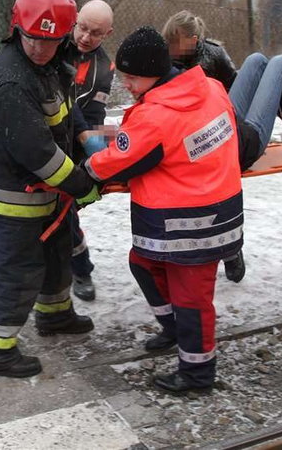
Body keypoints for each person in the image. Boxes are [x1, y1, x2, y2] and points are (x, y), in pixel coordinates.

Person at [85, 26, 243, 394]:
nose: (126, 83)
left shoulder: (156, 116)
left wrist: (83, 174)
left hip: (185, 222)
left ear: (154, 72)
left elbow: (119, 160)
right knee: (143, 263)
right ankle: (175, 331)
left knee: (192, 301)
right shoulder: (211, 89)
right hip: (214, 211)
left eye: (131, 77)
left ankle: (197, 374)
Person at [0, 0, 100, 378]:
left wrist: (88, 140)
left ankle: (55, 315)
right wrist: (84, 184)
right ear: (17, 28)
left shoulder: (53, 62)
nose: (40, 48)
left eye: (51, 40)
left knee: (57, 254)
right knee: (18, 270)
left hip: (43, 193)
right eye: (33, 39)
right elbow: (37, 154)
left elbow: (65, 109)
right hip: (12, 195)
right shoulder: (10, 80)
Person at [163, 11, 282, 284]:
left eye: (174, 42)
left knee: (257, 60)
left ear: (194, 40)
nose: (170, 48)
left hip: (224, 127)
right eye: (168, 42)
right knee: (281, 62)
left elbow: (245, 93)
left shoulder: (209, 55)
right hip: (231, 143)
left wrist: (281, 115)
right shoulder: (175, 65)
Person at [60, 0, 115, 301]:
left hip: (73, 147)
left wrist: (94, 156)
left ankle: (81, 268)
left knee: (65, 210)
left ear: (107, 33)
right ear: (75, 20)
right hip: (41, 140)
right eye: (82, 28)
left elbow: (95, 121)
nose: (85, 37)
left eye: (95, 33)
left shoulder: (103, 69)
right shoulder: (52, 46)